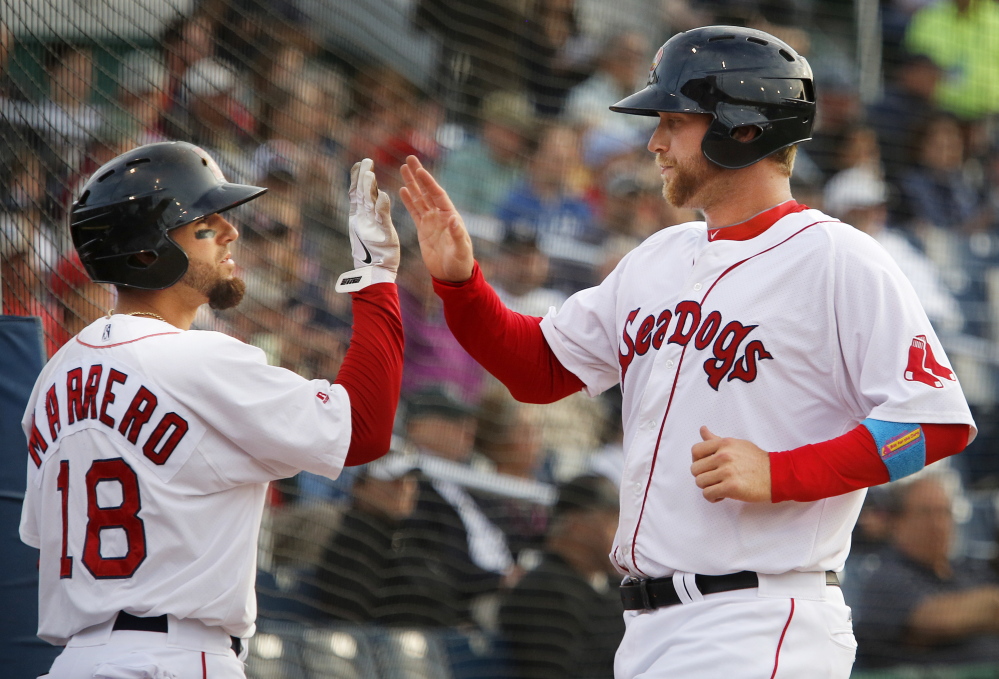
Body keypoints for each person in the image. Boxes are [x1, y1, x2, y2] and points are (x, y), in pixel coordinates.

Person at [399, 25, 976, 679]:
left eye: (673, 122)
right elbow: (538, 370)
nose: (654, 142)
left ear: (742, 128)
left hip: (760, 618)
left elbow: (930, 423)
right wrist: (461, 285)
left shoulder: (837, 259)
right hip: (647, 626)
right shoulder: (659, 257)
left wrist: (783, 472)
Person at [18, 142, 404, 679]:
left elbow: (42, 543)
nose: (231, 233)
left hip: (74, 662)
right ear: (148, 251)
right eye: (204, 223)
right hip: (176, 658)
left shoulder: (51, 379)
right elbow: (363, 430)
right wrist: (377, 278)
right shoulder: (200, 358)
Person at [852, 473, 999, 669]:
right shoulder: (886, 575)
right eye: (926, 513)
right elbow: (934, 622)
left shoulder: (971, 570)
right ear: (897, 523)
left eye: (944, 513)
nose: (938, 524)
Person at [498, 474, 624, 679]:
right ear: (577, 526)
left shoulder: (612, 586)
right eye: (613, 521)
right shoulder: (544, 591)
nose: (623, 534)